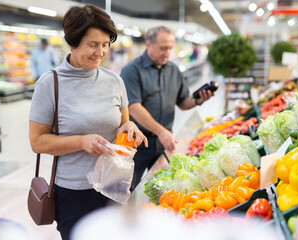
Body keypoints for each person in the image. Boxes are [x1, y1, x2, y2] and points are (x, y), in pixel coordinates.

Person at [28, 5, 148, 240]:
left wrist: (131, 127)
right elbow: (37, 142)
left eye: (105, 44)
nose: (100, 52)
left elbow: (124, 125)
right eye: (93, 44)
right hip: (74, 193)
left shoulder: (115, 81)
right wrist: (82, 142)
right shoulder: (49, 84)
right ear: (72, 42)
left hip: (115, 187)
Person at [120, 26, 214, 190]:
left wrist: (199, 100)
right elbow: (133, 107)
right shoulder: (131, 70)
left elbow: (183, 102)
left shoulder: (173, 70)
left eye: (170, 48)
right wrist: (161, 131)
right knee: (127, 188)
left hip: (164, 142)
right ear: (148, 44)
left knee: (162, 188)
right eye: (163, 48)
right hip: (137, 143)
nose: (167, 53)